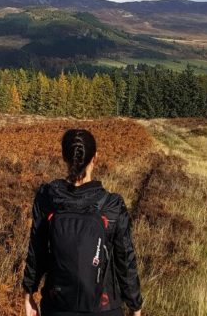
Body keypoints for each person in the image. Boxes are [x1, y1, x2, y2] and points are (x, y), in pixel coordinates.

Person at [22, 129, 143, 316]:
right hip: (103, 307)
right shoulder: (112, 205)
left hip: (57, 306)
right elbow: (125, 259)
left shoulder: (47, 197)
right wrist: (135, 305)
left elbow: (36, 251)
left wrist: (29, 293)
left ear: (64, 157)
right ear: (95, 158)